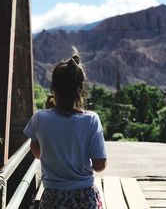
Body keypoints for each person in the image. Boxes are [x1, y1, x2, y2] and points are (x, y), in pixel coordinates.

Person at [23, 48, 107, 209]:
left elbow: (37, 152)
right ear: (80, 88)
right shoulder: (91, 120)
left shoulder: (40, 118)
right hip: (84, 198)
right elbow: (99, 165)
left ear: (54, 88)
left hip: (53, 198)